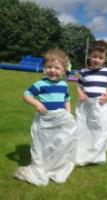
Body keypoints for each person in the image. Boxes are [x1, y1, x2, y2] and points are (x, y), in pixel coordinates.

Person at [14, 48, 77, 186]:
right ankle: (41, 165)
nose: (52, 70)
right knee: (42, 144)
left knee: (58, 142)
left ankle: (54, 165)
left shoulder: (64, 85)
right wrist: (36, 103)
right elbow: (26, 95)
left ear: (63, 70)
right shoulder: (40, 84)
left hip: (60, 121)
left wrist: (68, 114)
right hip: (45, 120)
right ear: (44, 68)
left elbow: (67, 100)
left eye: (57, 68)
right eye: (49, 67)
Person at [75, 40, 107, 166]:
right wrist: (81, 93)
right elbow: (79, 85)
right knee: (85, 127)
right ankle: (84, 149)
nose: (97, 60)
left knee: (100, 127)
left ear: (105, 59)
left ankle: (97, 153)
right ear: (90, 56)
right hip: (86, 105)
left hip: (100, 105)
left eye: (100, 58)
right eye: (94, 57)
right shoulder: (84, 72)